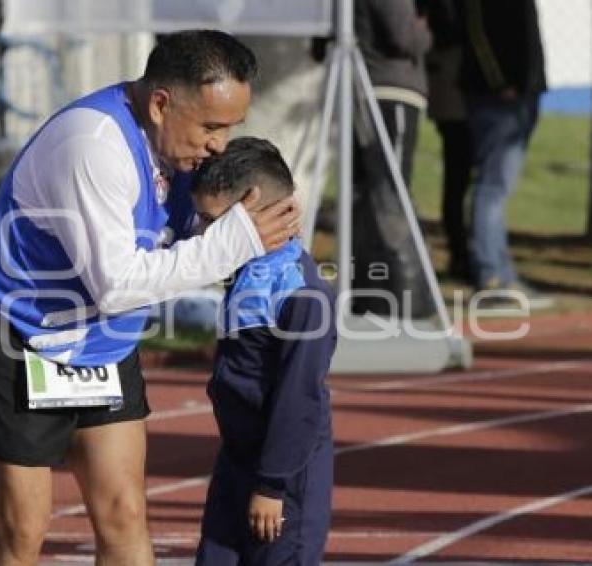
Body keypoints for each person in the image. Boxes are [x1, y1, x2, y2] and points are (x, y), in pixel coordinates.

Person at [0, 31, 300, 565]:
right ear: (161, 103)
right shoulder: (92, 145)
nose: (219, 144)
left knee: (125, 516)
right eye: (211, 127)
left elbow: (188, 236)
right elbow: (118, 284)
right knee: (24, 532)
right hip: (17, 332)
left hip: (101, 337)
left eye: (231, 128)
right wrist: (232, 242)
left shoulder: (179, 148)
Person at [191, 138, 336, 565]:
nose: (200, 234)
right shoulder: (245, 270)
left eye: (209, 221)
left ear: (253, 207)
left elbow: (299, 396)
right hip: (236, 460)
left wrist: (272, 486)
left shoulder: (302, 293)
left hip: (284, 476)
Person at [458, 0, 553, 307]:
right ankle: (491, 276)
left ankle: (503, 273)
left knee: (500, 187)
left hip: (523, 94)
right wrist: (499, 82)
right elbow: (476, 31)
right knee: (492, 187)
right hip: (497, 97)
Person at [352, 0, 435, 319]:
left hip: (365, 89)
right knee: (390, 193)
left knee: (369, 193)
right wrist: (425, 28)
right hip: (390, 90)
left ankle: (370, 289)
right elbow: (405, 38)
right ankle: (402, 291)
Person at [420, 0, 473, 282]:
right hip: (457, 96)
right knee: (459, 178)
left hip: (452, 93)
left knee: (459, 179)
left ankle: (463, 253)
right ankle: (462, 254)